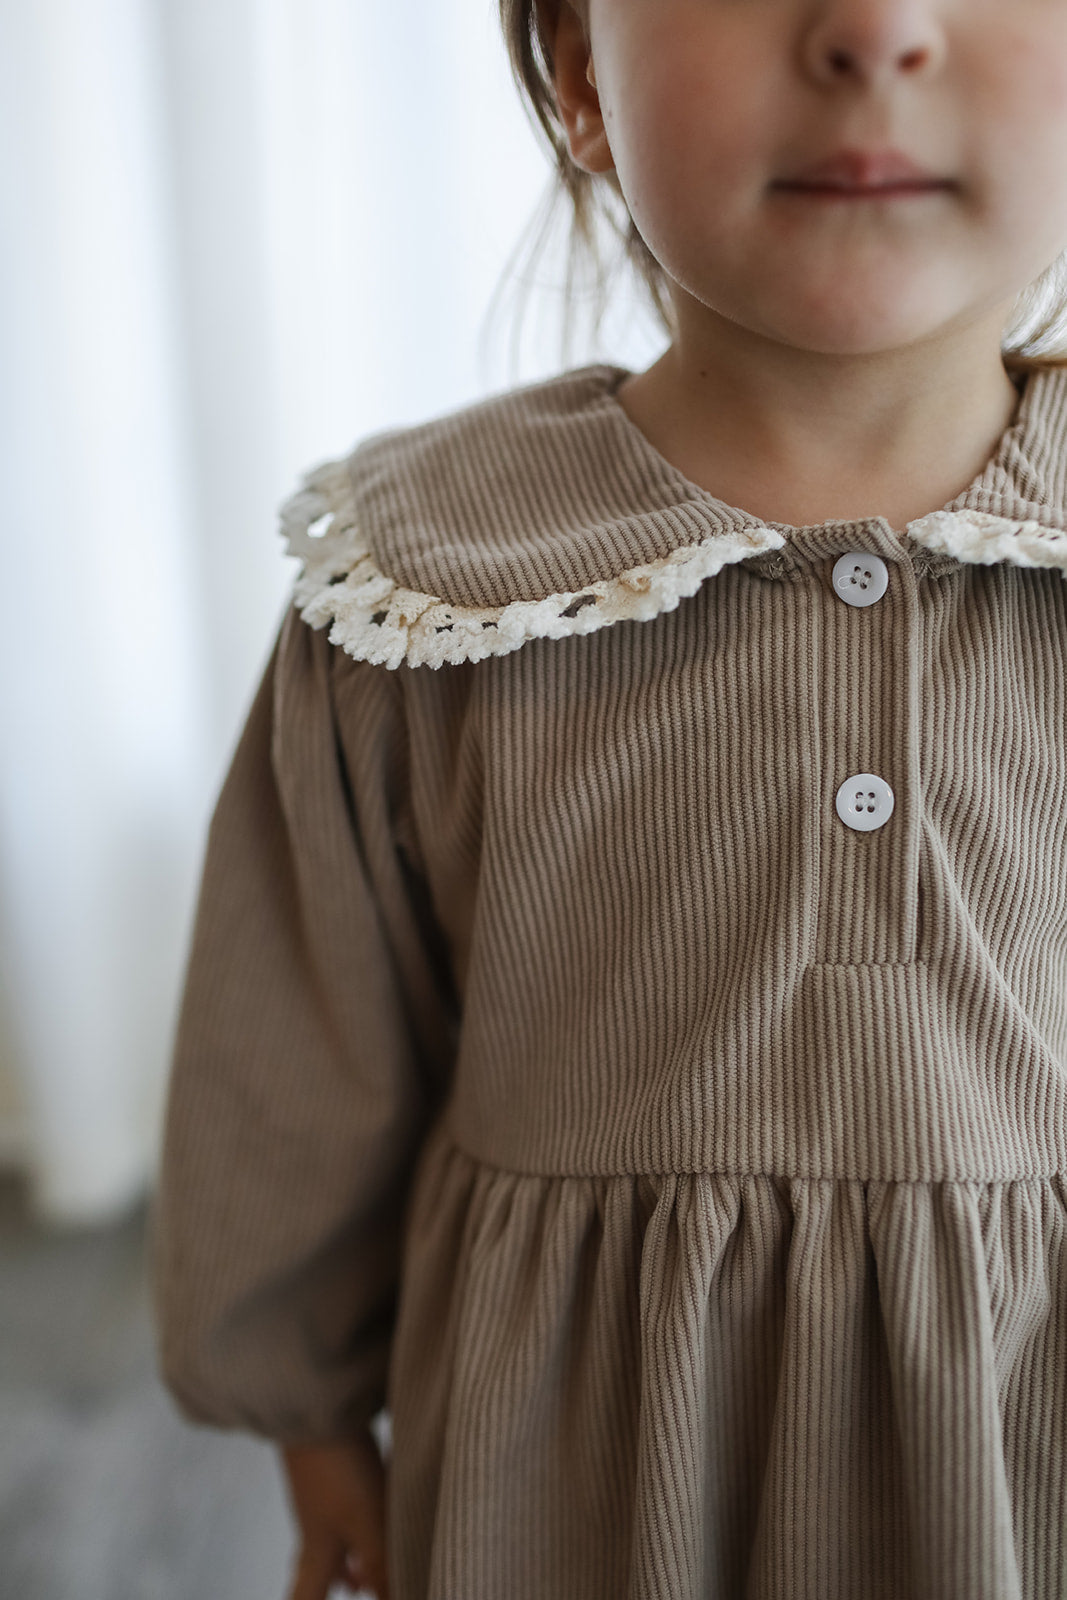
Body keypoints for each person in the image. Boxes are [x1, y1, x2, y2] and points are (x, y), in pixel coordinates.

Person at [150, 0, 1067, 1596]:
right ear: (583, 75)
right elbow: (294, 1049)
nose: (873, 29)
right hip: (577, 1470)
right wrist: (307, 1415)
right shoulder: (428, 588)